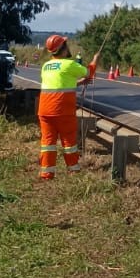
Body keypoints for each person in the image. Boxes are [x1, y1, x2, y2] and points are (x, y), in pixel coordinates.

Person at [37, 34, 100, 181]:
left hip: (44, 111)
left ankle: (47, 174)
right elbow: (89, 72)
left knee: (47, 143)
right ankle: (73, 171)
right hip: (63, 111)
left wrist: (79, 83)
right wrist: (95, 59)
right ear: (63, 48)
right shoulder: (69, 64)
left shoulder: (46, 66)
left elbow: (58, 83)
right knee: (69, 142)